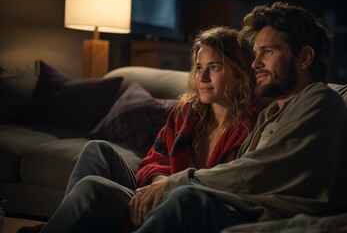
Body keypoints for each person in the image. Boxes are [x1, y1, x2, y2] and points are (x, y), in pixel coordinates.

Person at [128, 1, 347, 233]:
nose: (255, 63)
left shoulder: (319, 101)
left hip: (265, 218)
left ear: (304, 57)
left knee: (185, 199)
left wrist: (175, 182)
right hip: (241, 210)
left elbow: (258, 171)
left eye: (267, 52)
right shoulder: (272, 113)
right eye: (255, 53)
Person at [18, 26, 262, 233]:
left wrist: (168, 187)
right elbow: (153, 159)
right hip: (154, 193)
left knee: (92, 187)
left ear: (240, 73)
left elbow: (226, 189)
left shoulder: (251, 126)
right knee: (96, 149)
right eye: (199, 67)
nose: (202, 77)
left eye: (215, 67)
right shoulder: (187, 112)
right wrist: (159, 180)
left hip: (175, 209)